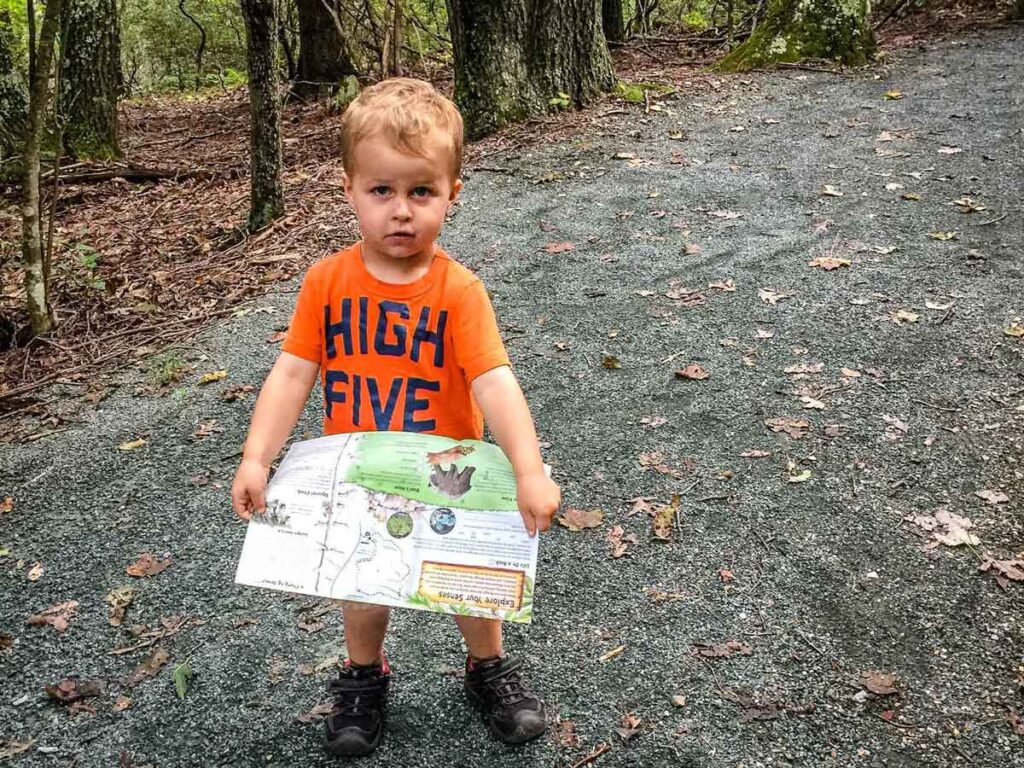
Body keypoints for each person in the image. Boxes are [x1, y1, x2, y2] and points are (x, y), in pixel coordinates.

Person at [230, 77, 561, 757]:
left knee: (468, 576)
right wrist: (256, 457)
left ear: (452, 194)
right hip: (359, 466)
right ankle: (363, 676)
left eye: (421, 192)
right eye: (382, 191)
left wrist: (528, 470)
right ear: (349, 188)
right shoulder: (326, 281)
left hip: (452, 472)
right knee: (360, 580)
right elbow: (293, 372)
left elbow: (496, 383)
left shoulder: (459, 291)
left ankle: (487, 668)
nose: (401, 212)